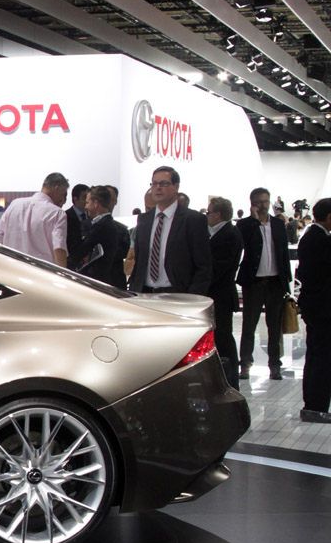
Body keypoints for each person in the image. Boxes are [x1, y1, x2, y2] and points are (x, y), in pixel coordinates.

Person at [127, 165, 211, 295]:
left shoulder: (193, 220)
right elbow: (139, 262)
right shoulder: (144, 220)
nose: (158, 187)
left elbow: (203, 266)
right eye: (154, 183)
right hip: (144, 294)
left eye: (163, 183)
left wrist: (193, 296)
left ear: (176, 187)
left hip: (178, 295)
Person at [236, 186, 291, 380]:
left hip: (275, 282)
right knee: (249, 325)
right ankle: (245, 364)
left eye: (265, 201)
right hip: (254, 282)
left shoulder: (278, 224)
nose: (262, 205)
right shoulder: (245, 225)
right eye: (258, 202)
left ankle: (275, 365)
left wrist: (287, 281)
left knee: (274, 327)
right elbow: (243, 243)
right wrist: (254, 221)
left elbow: (283, 252)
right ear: (252, 204)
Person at [297, 198, 331, 422]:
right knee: (321, 358)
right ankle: (316, 406)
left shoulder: (312, 237)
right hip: (322, 308)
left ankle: (314, 404)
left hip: (316, 306)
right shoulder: (320, 240)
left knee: (317, 356)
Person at [0, 172, 70, 266]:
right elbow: (59, 248)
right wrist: (61, 273)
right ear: (56, 189)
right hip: (40, 271)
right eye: (63, 194)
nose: (63, 200)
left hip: (11, 269)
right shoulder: (57, 213)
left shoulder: (15, 205)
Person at [206, 196, 244, 389]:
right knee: (219, 337)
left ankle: (231, 381)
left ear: (218, 214)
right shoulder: (216, 233)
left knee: (224, 337)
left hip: (221, 294)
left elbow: (220, 267)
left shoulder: (230, 235)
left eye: (209, 212)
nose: (207, 216)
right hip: (216, 293)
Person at [68, 185, 126, 289]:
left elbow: (81, 251)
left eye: (87, 203)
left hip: (96, 282)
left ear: (96, 204)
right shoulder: (108, 224)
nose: (85, 207)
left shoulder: (100, 226)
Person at [65, 183, 90, 265]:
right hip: (71, 262)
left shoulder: (92, 217)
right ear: (76, 199)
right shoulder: (65, 216)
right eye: (84, 197)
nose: (87, 201)